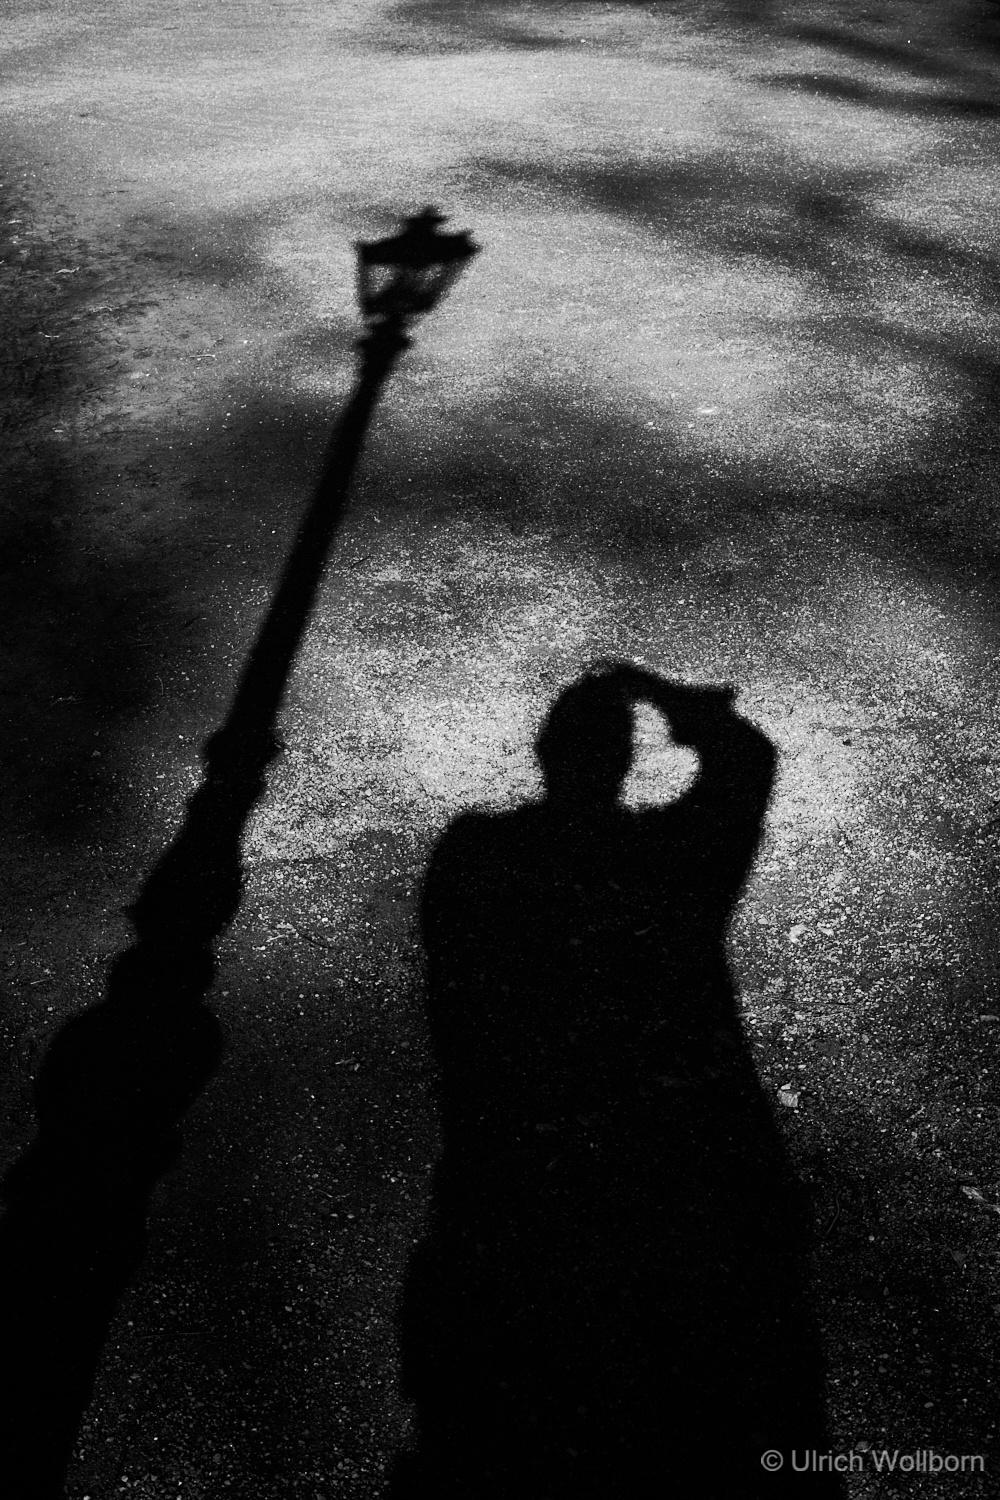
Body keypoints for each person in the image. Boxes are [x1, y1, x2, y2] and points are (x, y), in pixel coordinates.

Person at [390, 663, 840, 1498]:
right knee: (732, 1443)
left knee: (510, 1444)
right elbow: (747, 761)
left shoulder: (480, 859)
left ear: (544, 750)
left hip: (521, 1195)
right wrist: (663, 694)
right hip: (691, 1197)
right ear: (628, 758)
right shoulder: (670, 863)